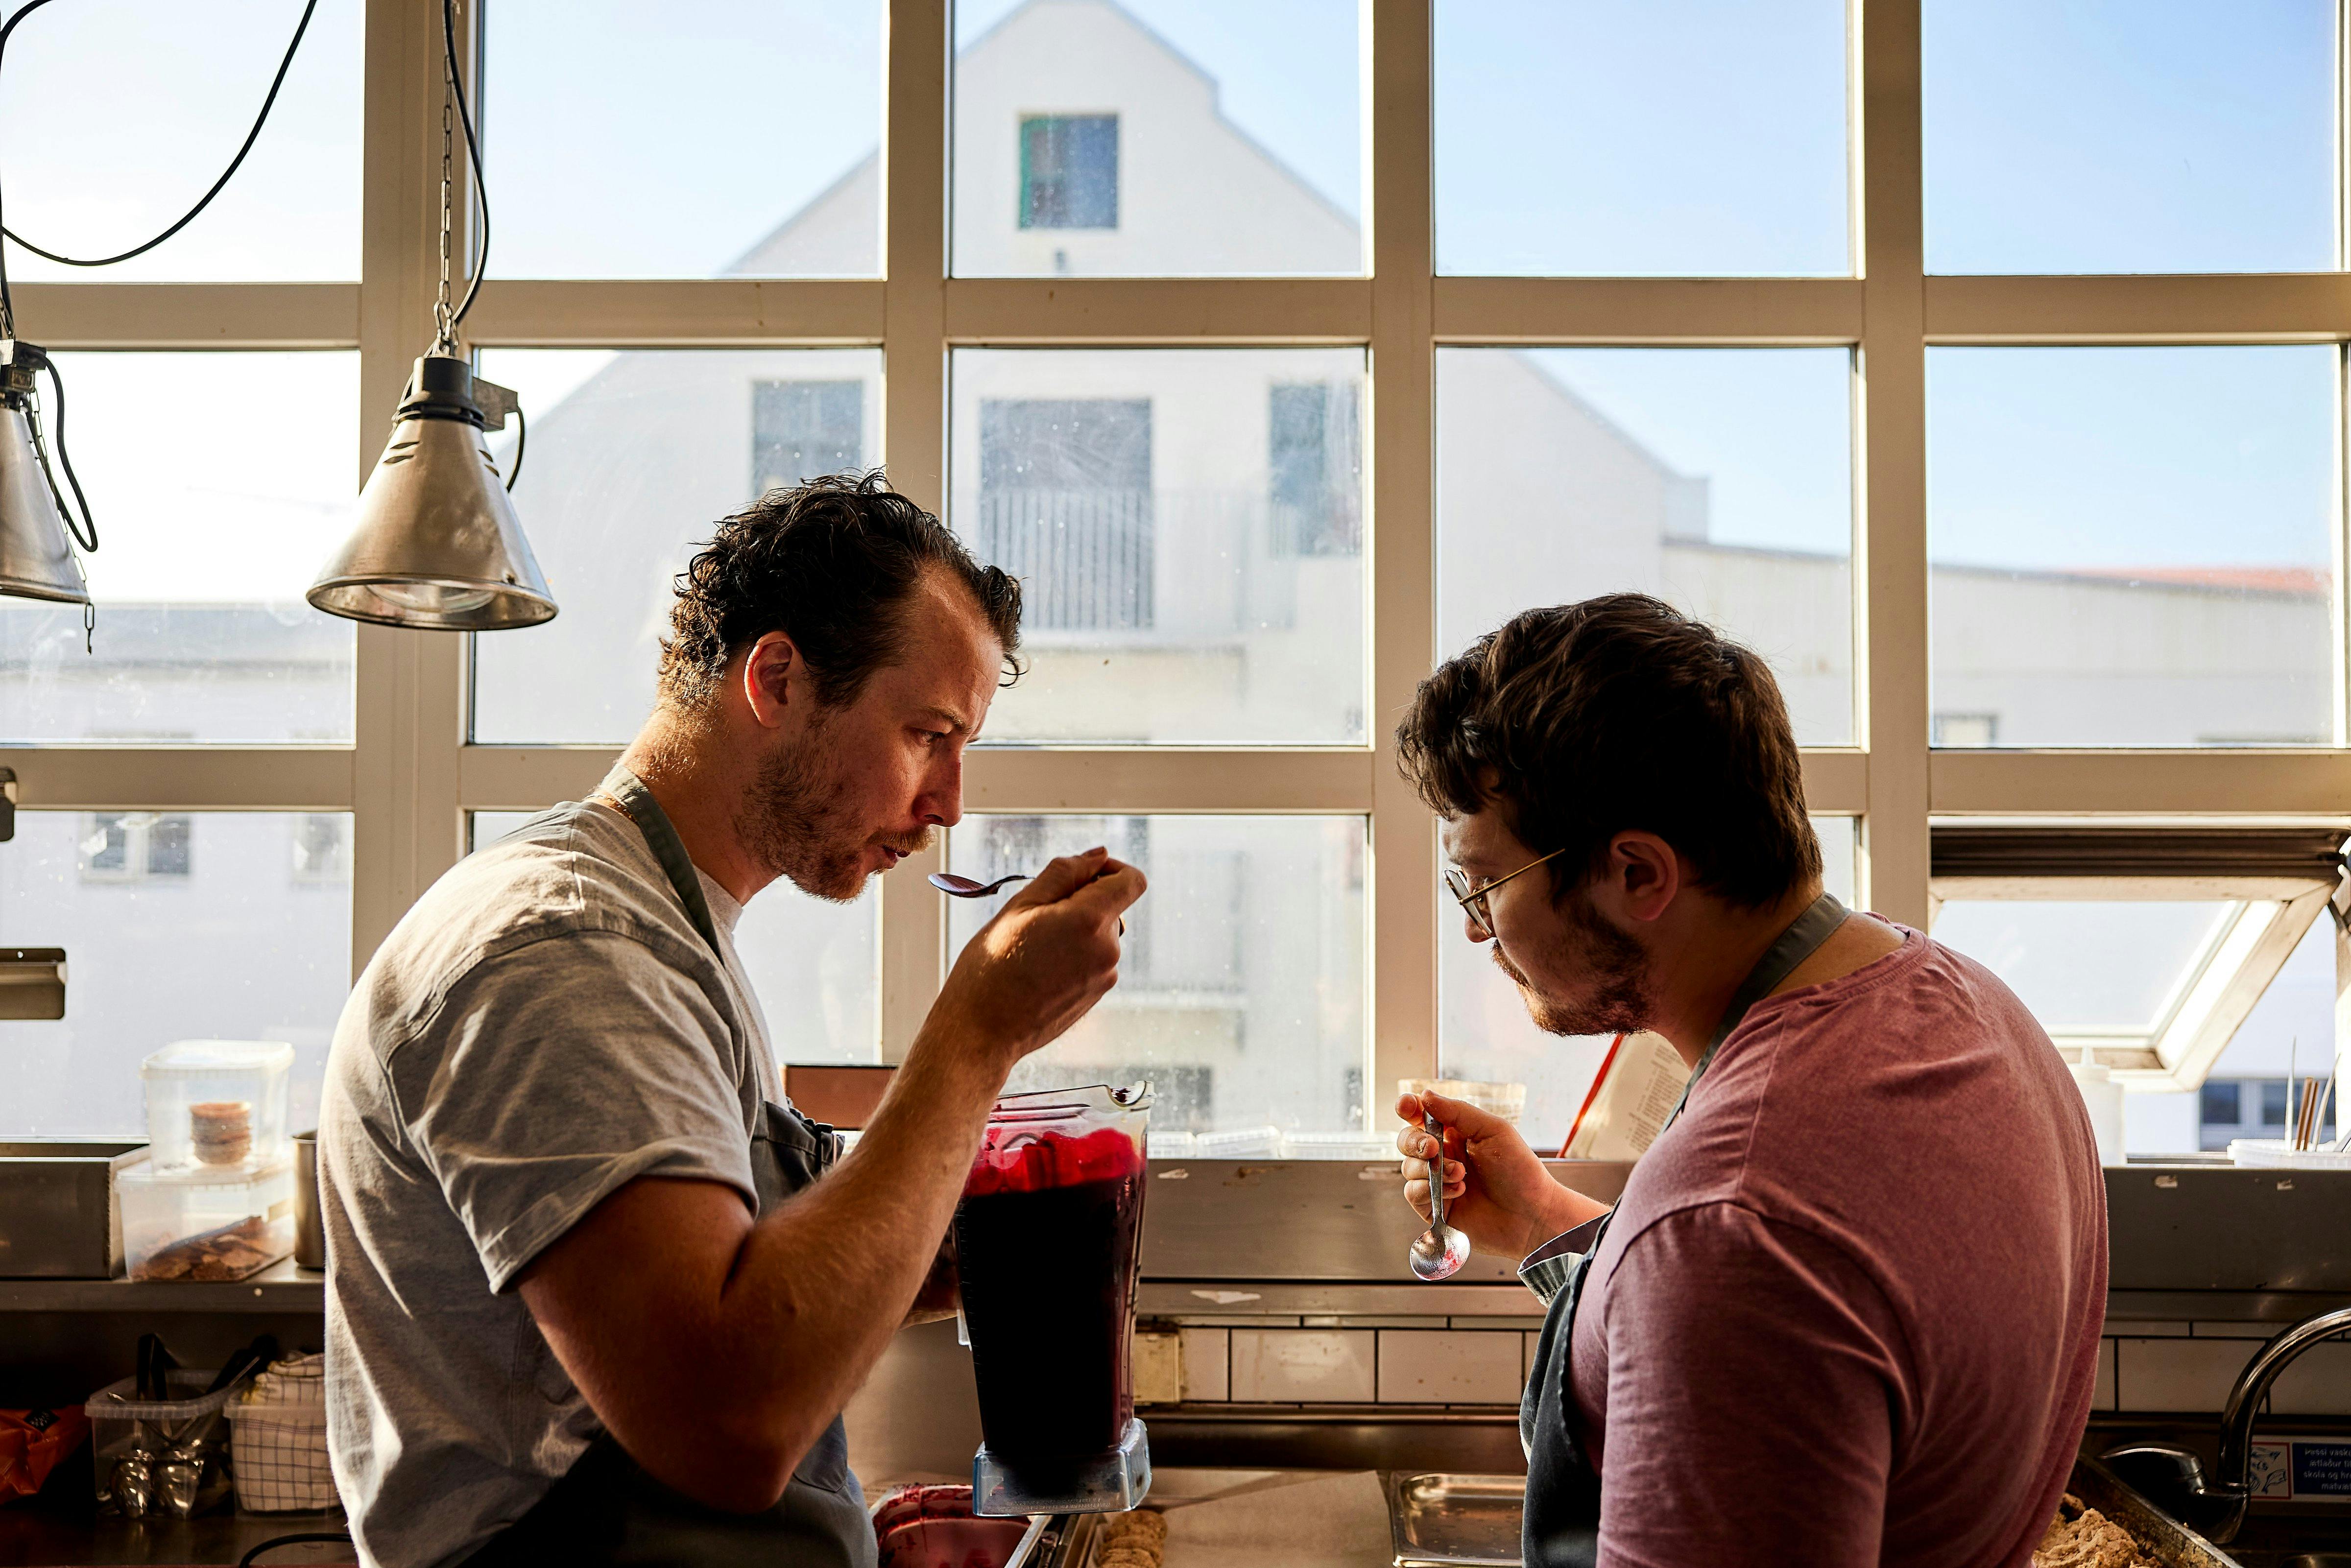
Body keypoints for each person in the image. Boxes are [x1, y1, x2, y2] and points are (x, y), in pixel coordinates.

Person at [319, 472, 1145, 1568]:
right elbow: (725, 1419)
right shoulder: (566, 954)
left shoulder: (667, 933)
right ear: (778, 677)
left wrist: (915, 1256)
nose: (950, 800)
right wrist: (977, 1032)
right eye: (927, 732)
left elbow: (714, 1296)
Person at [1393, 594, 2104, 1568]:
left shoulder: (1731, 1227)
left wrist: (1676, 1241)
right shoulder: (1969, 1005)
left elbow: (1743, 1258)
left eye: (1483, 884)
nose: (1476, 928)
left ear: (1640, 874)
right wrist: (1540, 1219)